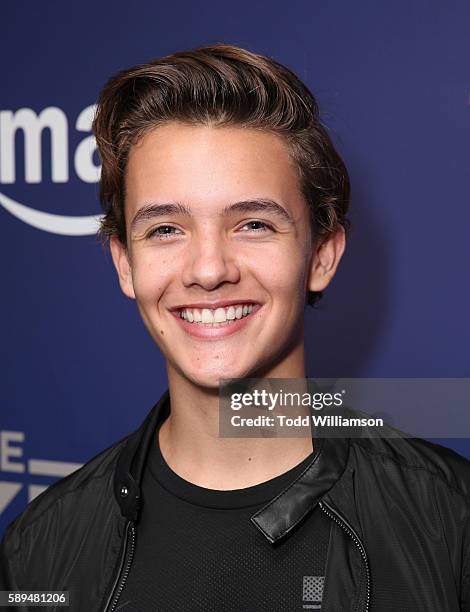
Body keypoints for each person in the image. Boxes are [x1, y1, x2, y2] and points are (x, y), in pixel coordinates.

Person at [1, 42, 470, 612]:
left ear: (322, 254)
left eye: (252, 223)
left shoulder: (450, 518)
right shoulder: (42, 543)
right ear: (125, 263)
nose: (208, 270)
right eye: (166, 230)